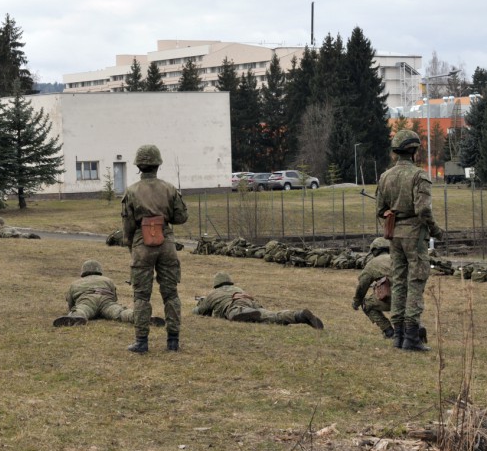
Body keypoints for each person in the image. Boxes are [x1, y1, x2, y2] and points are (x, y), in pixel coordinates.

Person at [376, 129, 444, 352]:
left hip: (394, 235)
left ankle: (398, 336)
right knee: (416, 281)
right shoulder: (419, 175)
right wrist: (435, 230)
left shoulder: (385, 177)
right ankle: (412, 337)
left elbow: (380, 210)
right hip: (415, 234)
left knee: (398, 281)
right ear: (413, 151)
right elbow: (423, 209)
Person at [121, 144, 189, 353]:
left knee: (141, 295)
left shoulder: (131, 191)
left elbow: (128, 224)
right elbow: (181, 217)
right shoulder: (169, 188)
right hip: (166, 242)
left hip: (142, 243)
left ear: (139, 166)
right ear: (158, 164)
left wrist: (130, 243)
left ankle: (141, 342)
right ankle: (173, 341)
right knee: (170, 293)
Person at [52, 259, 164, 328]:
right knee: (120, 312)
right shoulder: (107, 280)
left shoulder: (75, 283)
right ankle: (139, 317)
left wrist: (74, 310)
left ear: (83, 271)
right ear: (99, 270)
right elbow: (114, 298)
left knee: (81, 310)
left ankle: (76, 317)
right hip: (106, 301)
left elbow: (71, 303)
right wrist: (110, 305)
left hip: (87, 301)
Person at [193, 272, 324, 329]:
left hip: (236, 306)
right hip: (250, 302)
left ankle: (245, 314)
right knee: (273, 316)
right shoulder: (237, 288)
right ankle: (299, 315)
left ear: (216, 283)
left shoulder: (213, 293)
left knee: (235, 313)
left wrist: (200, 303)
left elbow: (198, 311)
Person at [352, 238, 394, 339]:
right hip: (411, 297)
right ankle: (415, 328)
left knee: (367, 305)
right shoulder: (398, 258)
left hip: (394, 297)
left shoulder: (373, 263)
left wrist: (357, 301)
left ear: (374, 250)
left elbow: (362, 285)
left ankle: (388, 331)